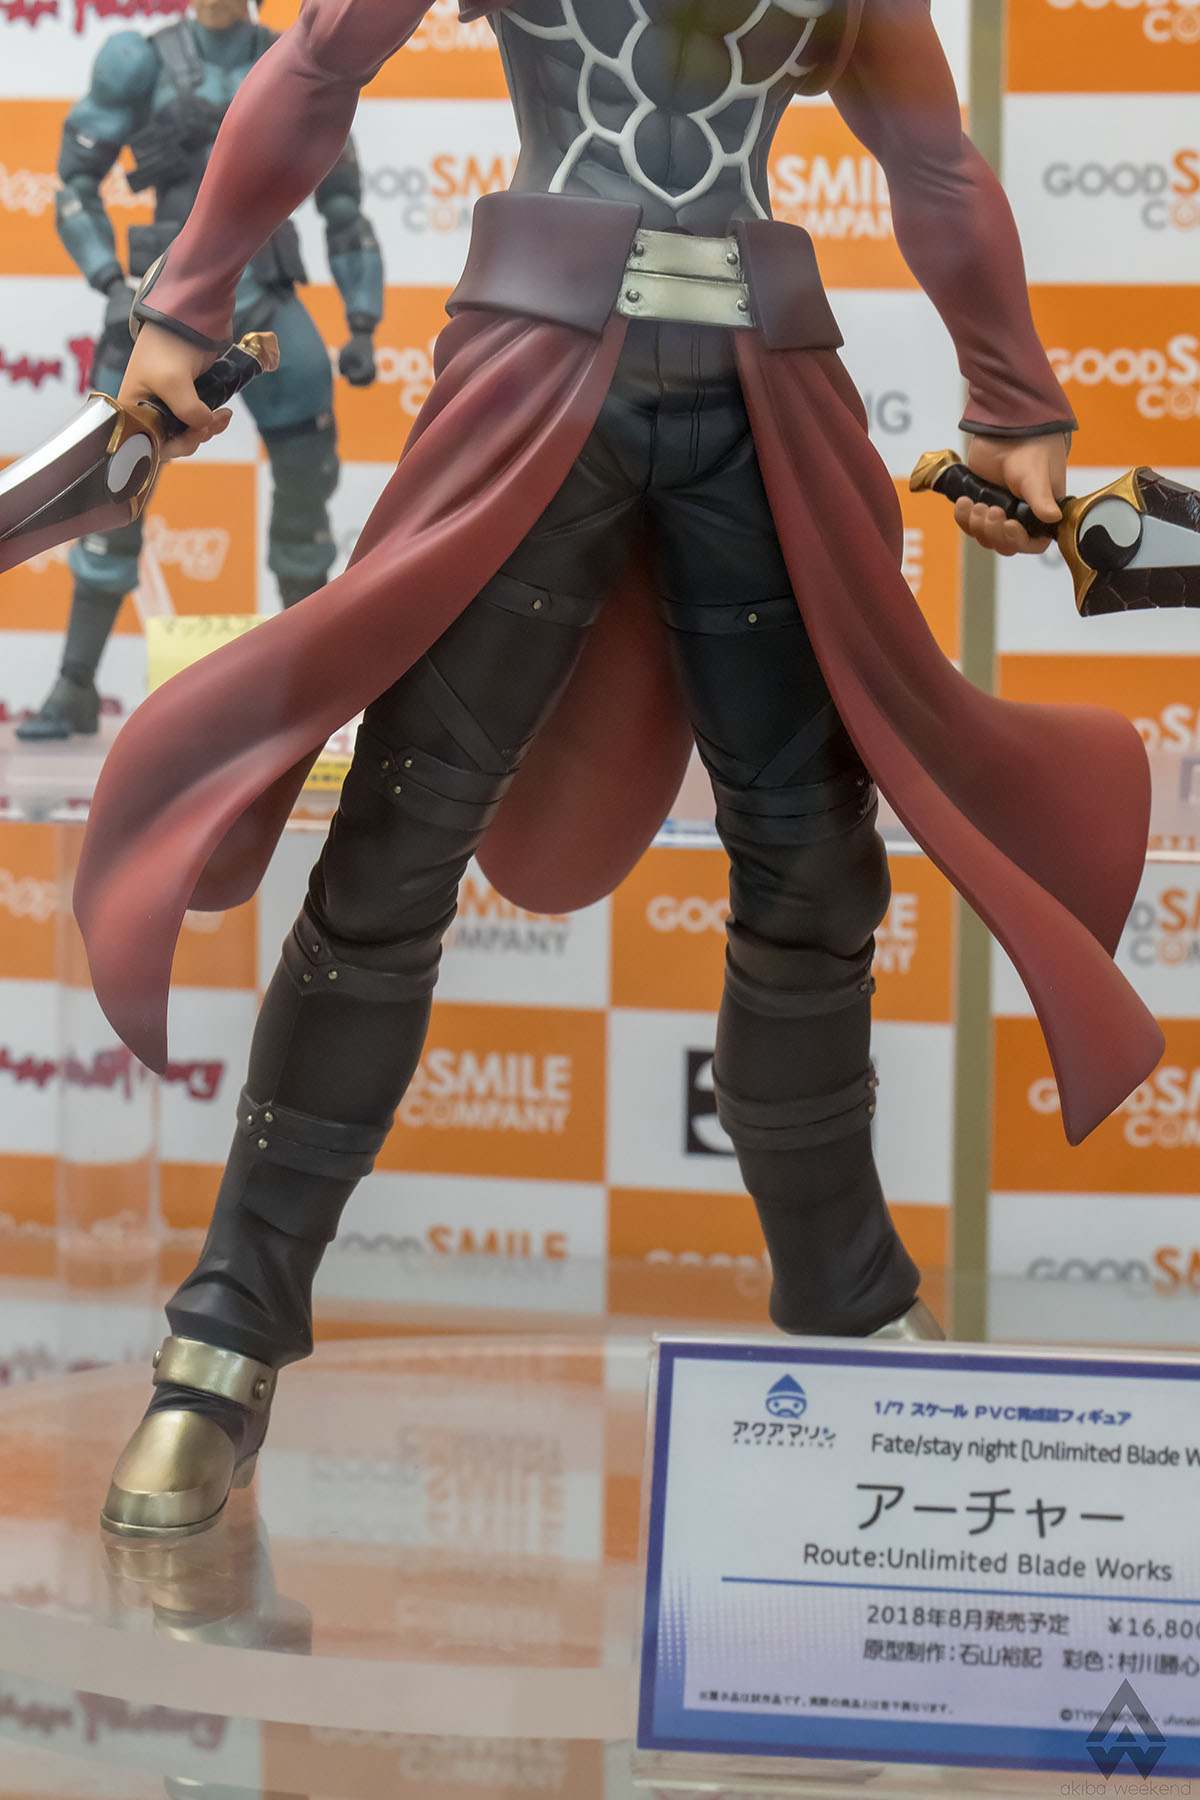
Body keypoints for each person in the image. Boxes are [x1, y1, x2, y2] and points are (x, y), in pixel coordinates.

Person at [73, 0, 1164, 1538]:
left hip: (762, 393)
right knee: (393, 848)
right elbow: (316, 64)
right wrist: (185, 305)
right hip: (540, 374)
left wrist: (1014, 398)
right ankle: (225, 1342)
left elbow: (929, 156)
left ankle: (848, 1309)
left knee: (816, 866)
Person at [17, 0, 383, 742]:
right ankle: (75, 683)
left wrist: (363, 321)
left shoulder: (299, 62)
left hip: (265, 297)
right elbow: (75, 185)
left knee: (307, 478)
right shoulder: (137, 62)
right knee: (110, 476)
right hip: (158, 307)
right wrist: (108, 281)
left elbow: (344, 210)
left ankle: (308, 689)